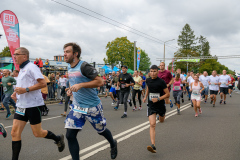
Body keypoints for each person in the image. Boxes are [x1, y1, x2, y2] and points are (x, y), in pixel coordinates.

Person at [63, 43, 117, 160]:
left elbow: (100, 82)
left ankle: (113, 143)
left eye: (67, 52)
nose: (64, 54)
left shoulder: (84, 66)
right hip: (77, 106)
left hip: (92, 106)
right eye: (64, 51)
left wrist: (81, 85)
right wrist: (71, 90)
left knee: (101, 130)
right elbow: (74, 81)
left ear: (75, 54)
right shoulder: (69, 67)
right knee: (70, 135)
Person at [11, 47, 65, 160]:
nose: (14, 56)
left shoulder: (32, 67)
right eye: (14, 54)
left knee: (38, 133)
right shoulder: (21, 69)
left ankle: (57, 138)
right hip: (21, 106)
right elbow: (22, 85)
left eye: (16, 54)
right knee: (14, 133)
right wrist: (16, 93)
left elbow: (43, 83)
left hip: (33, 105)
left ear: (24, 56)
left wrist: (25, 90)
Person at [143, 65, 170, 153]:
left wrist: (158, 99)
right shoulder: (148, 80)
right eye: (151, 71)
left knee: (161, 120)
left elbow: (167, 94)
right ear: (149, 72)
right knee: (152, 124)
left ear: (157, 72)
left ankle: (161, 116)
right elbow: (148, 88)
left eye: (155, 71)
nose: (153, 73)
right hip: (151, 105)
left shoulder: (161, 82)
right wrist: (145, 96)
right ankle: (153, 145)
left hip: (160, 105)